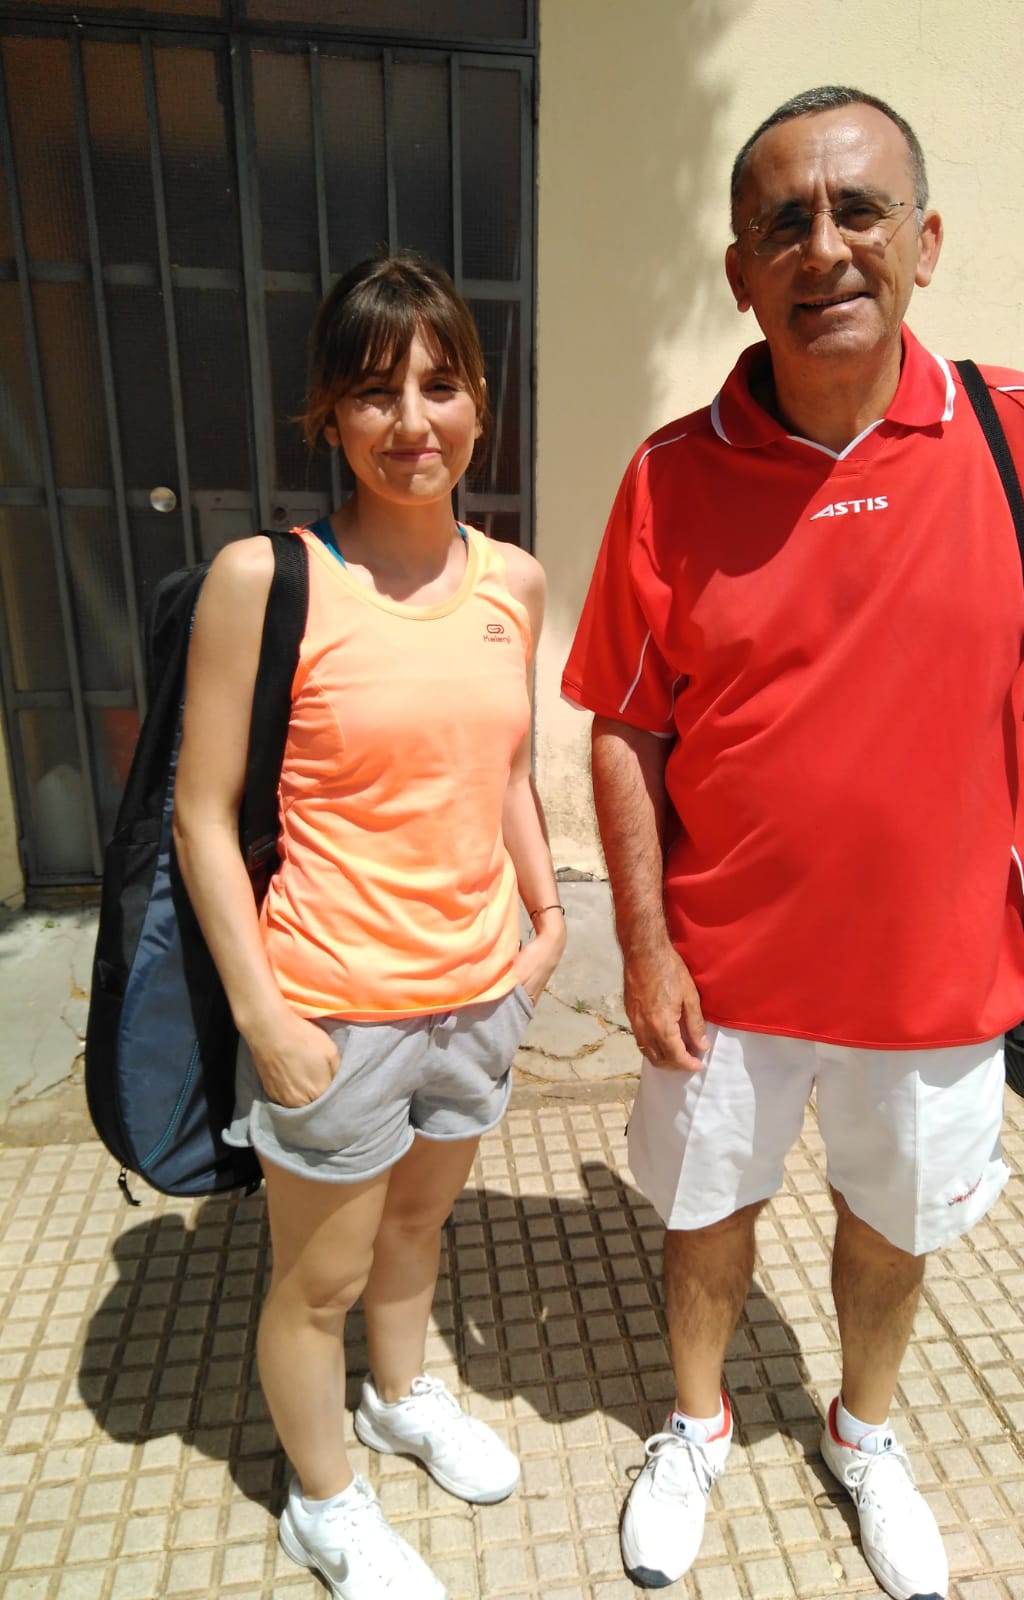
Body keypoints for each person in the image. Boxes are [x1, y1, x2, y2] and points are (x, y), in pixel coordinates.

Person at [562, 86, 1024, 1599]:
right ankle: (696, 1424)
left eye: (859, 210)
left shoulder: (1021, 436)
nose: (823, 246)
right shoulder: (669, 476)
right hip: (724, 977)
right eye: (784, 222)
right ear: (740, 272)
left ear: (925, 241)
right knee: (706, 1213)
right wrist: (643, 943)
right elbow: (625, 728)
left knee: (893, 1229)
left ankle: (864, 1432)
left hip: (942, 976)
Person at [174, 252, 565, 1600]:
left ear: (480, 406)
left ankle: (400, 1402)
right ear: (328, 417)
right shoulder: (267, 580)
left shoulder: (513, 582)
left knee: (416, 1235)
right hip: (332, 1007)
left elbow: (506, 769)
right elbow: (201, 816)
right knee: (318, 1281)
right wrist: (265, 1017)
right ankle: (323, 1505)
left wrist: (547, 921)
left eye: (441, 385)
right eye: (374, 392)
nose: (412, 421)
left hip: (477, 993)